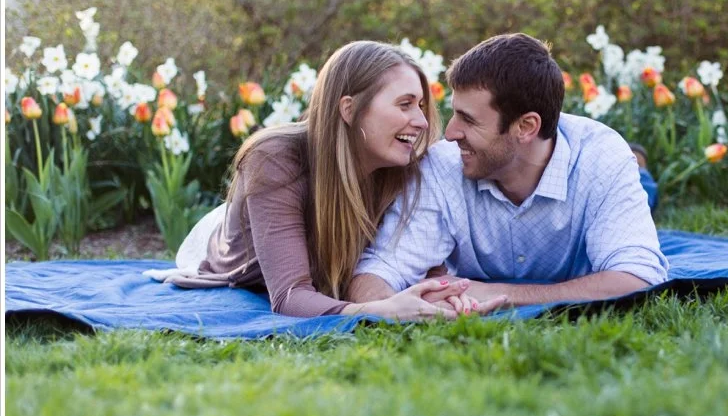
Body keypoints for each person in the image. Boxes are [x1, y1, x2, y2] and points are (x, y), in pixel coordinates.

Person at [145, 41, 488, 320]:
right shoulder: (274, 159)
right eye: (405, 105)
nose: (422, 122)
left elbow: (423, 260)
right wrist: (375, 310)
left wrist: (438, 294)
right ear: (349, 109)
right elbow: (290, 296)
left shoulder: (406, 166)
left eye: (422, 106)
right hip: (231, 242)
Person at [349, 33, 669, 311]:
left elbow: (638, 279)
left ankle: (639, 164)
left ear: (526, 126)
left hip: (612, 170)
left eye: (469, 120)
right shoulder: (442, 165)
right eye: (454, 114)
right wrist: (392, 306)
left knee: (643, 188)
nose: (449, 133)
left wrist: (495, 293)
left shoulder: (602, 160)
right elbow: (379, 270)